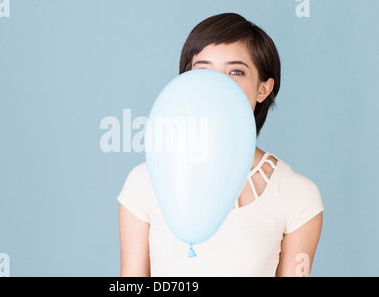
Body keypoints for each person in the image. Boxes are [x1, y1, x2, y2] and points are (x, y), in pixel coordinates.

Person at [117, 13, 324, 277]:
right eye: (202, 70)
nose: (215, 84)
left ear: (264, 88)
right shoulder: (144, 183)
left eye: (235, 71)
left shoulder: (298, 195)